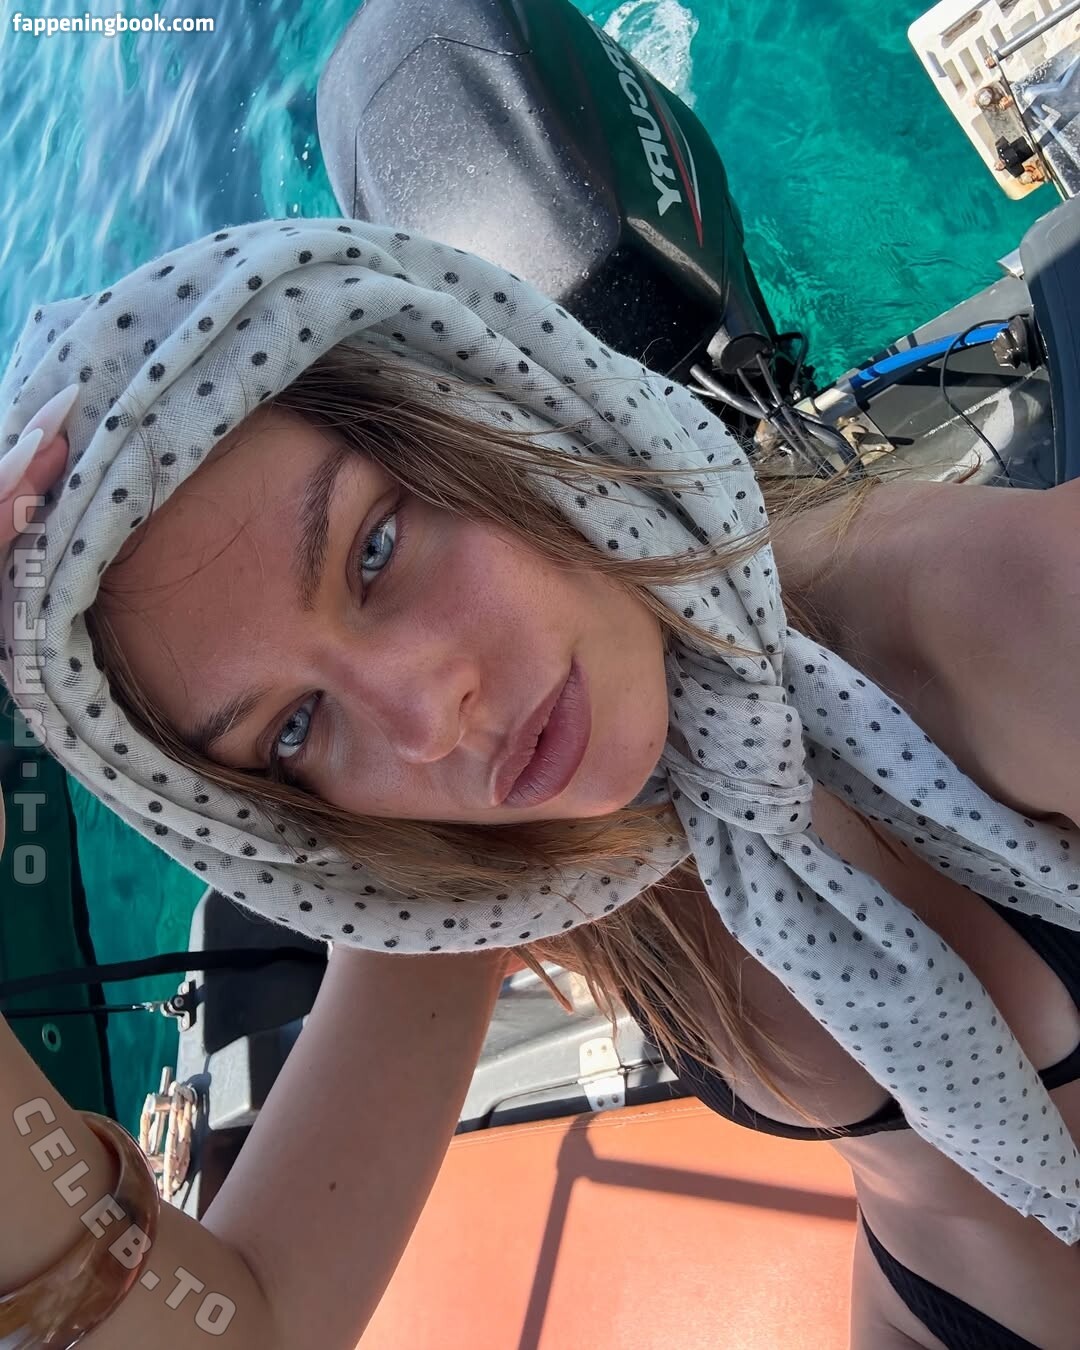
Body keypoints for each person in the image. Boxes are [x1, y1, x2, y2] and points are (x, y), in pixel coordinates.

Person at [0, 217, 1078, 1350]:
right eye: (296, 727)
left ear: (483, 405)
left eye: (375, 551)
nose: (428, 723)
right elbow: (242, 1330)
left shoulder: (1014, 621)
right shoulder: (492, 876)